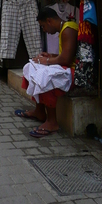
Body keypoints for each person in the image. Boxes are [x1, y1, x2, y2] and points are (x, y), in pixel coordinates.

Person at [14, 8, 78, 138]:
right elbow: (65, 54)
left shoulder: (68, 30)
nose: (44, 30)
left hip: (75, 71)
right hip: (67, 67)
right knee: (31, 68)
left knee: (45, 77)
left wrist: (47, 60)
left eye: (43, 26)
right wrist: (50, 56)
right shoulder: (65, 29)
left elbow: (66, 59)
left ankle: (52, 121)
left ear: (49, 21)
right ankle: (39, 111)